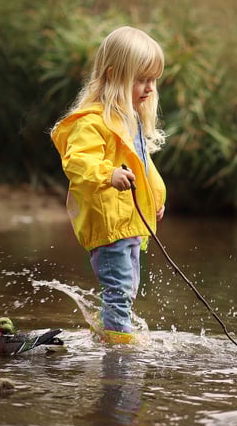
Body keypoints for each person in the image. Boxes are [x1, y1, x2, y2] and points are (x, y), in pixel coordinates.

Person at [50, 26, 167, 344]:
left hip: (130, 224)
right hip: (109, 224)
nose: (149, 88)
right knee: (119, 291)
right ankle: (118, 356)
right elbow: (77, 162)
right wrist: (108, 174)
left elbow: (144, 167)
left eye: (153, 80)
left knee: (127, 289)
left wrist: (155, 198)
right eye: (142, 80)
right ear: (115, 75)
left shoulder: (131, 120)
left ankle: (107, 334)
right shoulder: (92, 122)